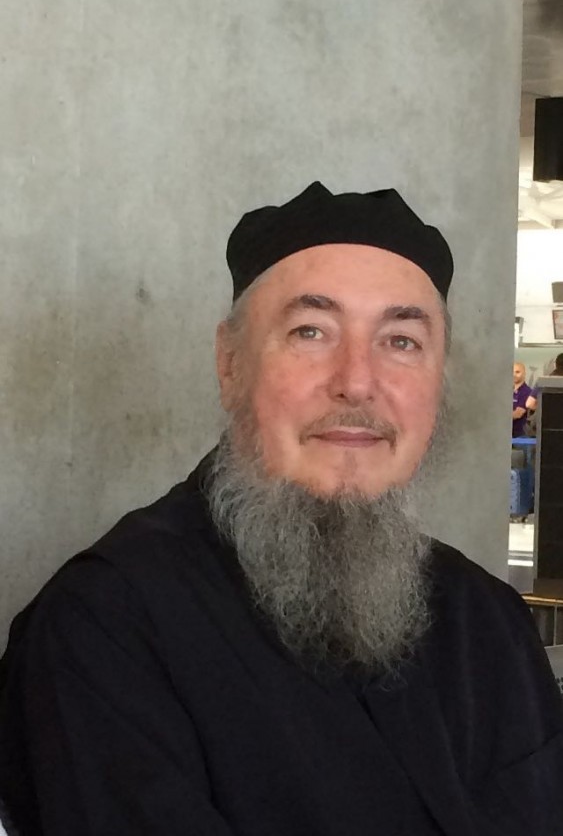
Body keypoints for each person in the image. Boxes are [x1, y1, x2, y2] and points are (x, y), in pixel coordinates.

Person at [1, 182, 562, 836]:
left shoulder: (488, 619)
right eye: (310, 332)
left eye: (401, 341)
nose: (357, 381)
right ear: (230, 365)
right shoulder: (104, 630)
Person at [512, 361, 532, 438]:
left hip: (520, 436)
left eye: (517, 372)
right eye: (512, 372)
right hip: (505, 434)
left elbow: (518, 414)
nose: (514, 375)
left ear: (524, 374)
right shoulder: (506, 391)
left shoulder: (527, 392)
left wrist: (498, 418)